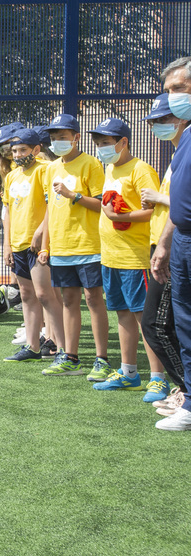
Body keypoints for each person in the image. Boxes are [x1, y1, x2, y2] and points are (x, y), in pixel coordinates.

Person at [88, 118, 167, 393]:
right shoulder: (109, 167)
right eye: (98, 143)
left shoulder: (141, 169)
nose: (102, 148)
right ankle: (129, 372)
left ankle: (158, 377)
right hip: (111, 256)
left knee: (144, 318)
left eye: (107, 143)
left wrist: (119, 216)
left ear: (124, 142)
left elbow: (154, 210)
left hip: (136, 257)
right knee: (122, 313)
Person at [38, 113, 111, 379]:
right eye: (54, 138)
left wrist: (74, 196)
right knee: (69, 301)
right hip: (61, 247)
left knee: (93, 299)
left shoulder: (91, 164)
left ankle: (102, 359)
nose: (58, 142)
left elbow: (102, 203)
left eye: (63, 137)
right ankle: (70, 357)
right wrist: (45, 245)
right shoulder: (50, 168)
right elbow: (49, 209)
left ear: (76, 137)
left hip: (89, 244)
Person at [150, 56, 191, 431]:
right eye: (168, 91)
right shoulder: (185, 143)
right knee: (179, 322)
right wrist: (163, 245)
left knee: (165, 322)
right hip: (179, 241)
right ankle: (189, 398)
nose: (172, 98)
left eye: (178, 89)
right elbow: (179, 204)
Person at [140, 94, 188, 404]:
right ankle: (185, 389)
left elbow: (183, 205)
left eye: (165, 119)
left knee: (156, 324)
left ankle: (186, 390)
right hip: (164, 246)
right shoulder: (177, 156)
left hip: (174, 249)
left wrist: (158, 198)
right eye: (155, 122)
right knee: (162, 324)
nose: (159, 126)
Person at [2, 128, 64, 360]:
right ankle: (32, 345)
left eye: (23, 150)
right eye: (14, 151)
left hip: (38, 245)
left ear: (36, 149)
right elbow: (7, 211)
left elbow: (52, 204)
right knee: (27, 295)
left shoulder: (46, 170)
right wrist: (7, 244)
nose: (18, 155)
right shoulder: (11, 176)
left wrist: (41, 232)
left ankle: (58, 345)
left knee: (46, 295)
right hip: (18, 244)